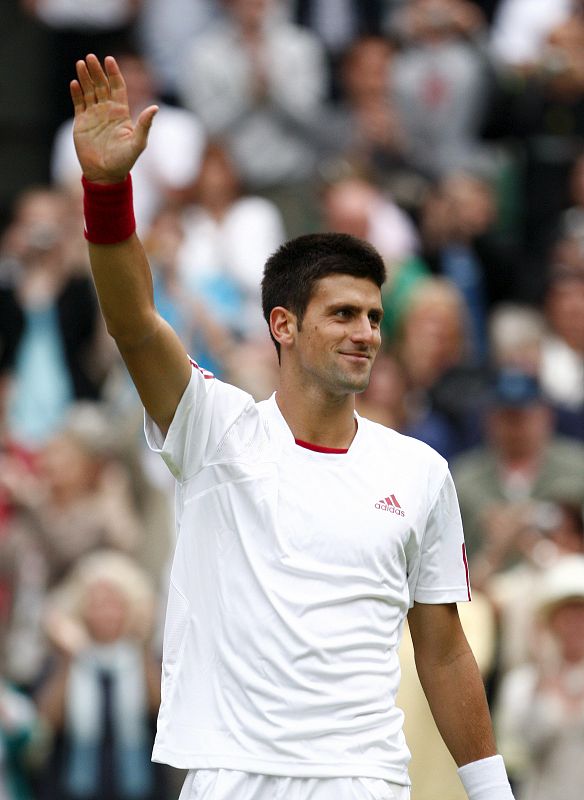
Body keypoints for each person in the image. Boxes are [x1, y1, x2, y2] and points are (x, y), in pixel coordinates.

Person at [68, 53, 515, 800]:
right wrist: (108, 188)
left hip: (362, 780)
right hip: (229, 778)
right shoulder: (214, 430)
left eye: (374, 317)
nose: (367, 333)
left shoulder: (420, 471)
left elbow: (443, 652)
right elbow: (135, 323)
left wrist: (492, 792)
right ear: (283, 324)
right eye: (343, 314)